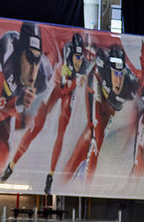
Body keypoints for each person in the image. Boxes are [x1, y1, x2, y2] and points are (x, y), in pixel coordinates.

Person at [0, 32, 92, 195]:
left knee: (62, 129)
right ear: (71, 55)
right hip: (57, 85)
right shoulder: (65, 60)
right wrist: (73, 79)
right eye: (76, 57)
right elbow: (62, 85)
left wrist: (81, 79)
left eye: (80, 57)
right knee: (37, 125)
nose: (78, 61)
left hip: (69, 91)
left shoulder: (83, 62)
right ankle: (11, 166)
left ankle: (50, 176)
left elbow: (81, 77)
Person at [0, 21, 52, 187]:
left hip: (5, 106)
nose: (33, 68)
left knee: (0, 153)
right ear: (19, 54)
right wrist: (17, 106)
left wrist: (18, 108)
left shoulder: (42, 76)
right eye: (30, 59)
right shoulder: (8, 52)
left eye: (37, 60)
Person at [59, 44, 138, 187]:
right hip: (95, 88)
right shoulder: (102, 67)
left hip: (108, 109)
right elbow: (92, 51)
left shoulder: (131, 84)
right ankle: (84, 186)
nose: (118, 80)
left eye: (121, 75)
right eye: (115, 74)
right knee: (96, 136)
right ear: (109, 70)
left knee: (90, 138)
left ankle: (68, 181)